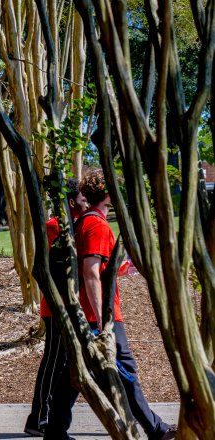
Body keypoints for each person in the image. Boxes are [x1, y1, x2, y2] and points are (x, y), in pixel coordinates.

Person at [44, 169, 176, 440]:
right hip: (99, 315)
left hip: (85, 312)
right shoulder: (97, 225)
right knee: (124, 369)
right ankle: (156, 429)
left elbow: (100, 268)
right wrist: (103, 320)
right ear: (106, 194)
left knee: (74, 371)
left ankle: (55, 431)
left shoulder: (84, 223)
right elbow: (91, 272)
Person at [23, 179, 88, 436]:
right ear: (71, 202)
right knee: (53, 361)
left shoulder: (69, 226)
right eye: (83, 199)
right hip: (56, 307)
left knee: (60, 362)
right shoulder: (55, 226)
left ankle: (43, 418)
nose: (87, 203)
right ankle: (39, 418)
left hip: (67, 306)